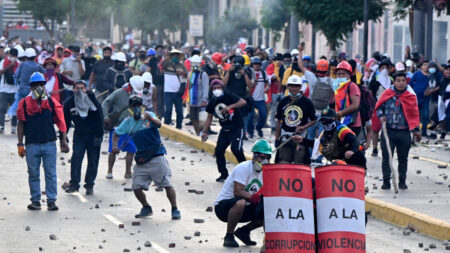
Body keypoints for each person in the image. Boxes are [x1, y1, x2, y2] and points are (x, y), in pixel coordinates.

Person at [112, 95, 181, 219]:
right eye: (134, 106)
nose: (137, 108)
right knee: (136, 186)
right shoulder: (128, 121)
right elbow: (116, 134)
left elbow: (159, 124)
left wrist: (151, 119)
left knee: (166, 183)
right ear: (130, 109)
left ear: (142, 106)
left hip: (156, 155)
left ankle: (175, 209)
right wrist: (115, 146)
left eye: (139, 105)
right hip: (142, 158)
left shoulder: (149, 116)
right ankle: (146, 207)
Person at [17, 72, 70, 211]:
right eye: (35, 85)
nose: (38, 87)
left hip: (49, 144)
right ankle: (35, 201)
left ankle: (51, 201)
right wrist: (20, 144)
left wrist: (63, 140)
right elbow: (21, 124)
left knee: (51, 174)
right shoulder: (24, 103)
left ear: (44, 85)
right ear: (31, 87)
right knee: (33, 174)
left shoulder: (52, 102)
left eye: (41, 84)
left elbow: (61, 122)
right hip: (31, 144)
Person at [214, 139, 271, 248]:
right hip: (224, 208)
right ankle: (229, 236)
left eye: (268, 158)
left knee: (268, 209)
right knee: (241, 202)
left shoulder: (265, 173)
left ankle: (245, 232)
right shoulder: (244, 168)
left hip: (246, 207)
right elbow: (238, 191)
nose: (265, 161)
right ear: (254, 156)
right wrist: (253, 198)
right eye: (262, 157)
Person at [375, 73, 421, 190]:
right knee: (387, 157)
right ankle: (386, 182)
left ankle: (402, 181)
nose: (401, 83)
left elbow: (414, 114)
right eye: (398, 81)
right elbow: (379, 107)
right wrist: (381, 116)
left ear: (406, 82)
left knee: (403, 158)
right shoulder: (387, 94)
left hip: (404, 132)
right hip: (388, 131)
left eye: (403, 81)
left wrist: (416, 130)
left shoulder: (410, 96)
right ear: (394, 82)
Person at [201, 79, 247, 182]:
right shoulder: (212, 101)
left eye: (218, 88)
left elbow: (243, 102)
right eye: (214, 88)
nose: (217, 90)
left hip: (236, 126)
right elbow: (209, 118)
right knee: (219, 151)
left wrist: (231, 106)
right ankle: (223, 173)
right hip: (225, 128)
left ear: (222, 88)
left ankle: (246, 172)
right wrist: (204, 131)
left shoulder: (228, 96)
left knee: (236, 149)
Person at [63, 80, 104, 195]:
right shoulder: (69, 103)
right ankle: (74, 184)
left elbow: (100, 118)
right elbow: (65, 122)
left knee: (93, 160)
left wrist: (99, 136)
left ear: (86, 89)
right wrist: (64, 137)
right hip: (79, 135)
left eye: (82, 88)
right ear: (73, 90)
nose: (80, 90)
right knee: (76, 158)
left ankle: (89, 185)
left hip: (94, 135)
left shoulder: (92, 101)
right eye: (77, 88)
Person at [102, 75, 144, 179]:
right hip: (118, 126)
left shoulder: (138, 95)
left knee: (131, 149)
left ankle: (128, 171)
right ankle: (109, 171)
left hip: (132, 126)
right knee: (113, 149)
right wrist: (105, 116)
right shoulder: (119, 93)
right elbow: (106, 103)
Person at [300, 108, 367, 168]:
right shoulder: (324, 134)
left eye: (327, 120)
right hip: (341, 163)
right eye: (323, 121)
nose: (325, 123)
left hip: (356, 162)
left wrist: (352, 151)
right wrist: (302, 140)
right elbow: (318, 145)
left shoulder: (342, 130)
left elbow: (355, 142)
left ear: (334, 119)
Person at [274, 75, 316, 164]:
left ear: (300, 87)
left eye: (296, 86)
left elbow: (314, 120)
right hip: (285, 138)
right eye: (291, 85)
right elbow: (278, 121)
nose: (294, 88)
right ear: (287, 86)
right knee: (283, 163)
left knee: (299, 164)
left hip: (300, 139)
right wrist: (276, 138)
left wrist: (304, 127)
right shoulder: (283, 101)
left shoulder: (307, 102)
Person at [333, 61, 362, 135]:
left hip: (352, 124)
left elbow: (355, 105)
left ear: (349, 75)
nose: (340, 76)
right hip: (341, 123)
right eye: (339, 74)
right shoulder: (337, 87)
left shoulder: (352, 86)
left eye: (343, 74)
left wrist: (340, 114)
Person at [161, 49, 188, 129]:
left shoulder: (181, 65)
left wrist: (182, 73)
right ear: (171, 56)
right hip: (168, 91)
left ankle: (179, 126)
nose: (175, 57)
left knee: (179, 111)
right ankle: (166, 126)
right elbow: (161, 65)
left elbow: (187, 74)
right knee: (168, 110)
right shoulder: (167, 64)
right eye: (173, 55)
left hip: (178, 92)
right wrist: (167, 57)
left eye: (177, 55)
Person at [182, 55, 209, 135]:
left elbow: (205, 88)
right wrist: (185, 99)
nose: (195, 65)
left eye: (197, 64)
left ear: (200, 64)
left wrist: (204, 100)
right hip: (192, 101)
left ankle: (201, 132)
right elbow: (187, 87)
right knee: (193, 118)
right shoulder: (189, 74)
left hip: (200, 101)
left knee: (201, 119)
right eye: (193, 63)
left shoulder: (203, 75)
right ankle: (197, 132)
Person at [246, 57, 269, 138]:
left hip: (260, 99)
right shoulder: (248, 73)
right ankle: (250, 131)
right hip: (251, 99)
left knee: (263, 114)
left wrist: (267, 87)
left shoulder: (263, 72)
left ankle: (259, 128)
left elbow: (267, 82)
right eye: (255, 64)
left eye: (258, 64)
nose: (256, 66)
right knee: (250, 116)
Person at [0, 48, 19, 134]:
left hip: (14, 90)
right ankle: (1, 126)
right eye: (12, 55)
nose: (13, 58)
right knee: (2, 109)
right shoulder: (3, 62)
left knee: (14, 110)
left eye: (15, 56)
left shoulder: (18, 64)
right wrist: (9, 66)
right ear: (9, 55)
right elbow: (0, 72)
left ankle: (14, 127)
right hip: (4, 89)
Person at [410, 60, 431, 137]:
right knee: (415, 115)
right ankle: (415, 130)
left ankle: (424, 131)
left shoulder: (431, 75)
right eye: (425, 65)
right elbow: (410, 84)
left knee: (425, 115)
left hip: (426, 98)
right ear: (421, 66)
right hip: (416, 98)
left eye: (428, 65)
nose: (426, 66)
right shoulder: (417, 74)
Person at [147, 48, 165, 118]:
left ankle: (158, 115)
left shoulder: (151, 60)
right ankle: (161, 114)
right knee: (161, 99)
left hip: (155, 82)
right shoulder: (159, 60)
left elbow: (148, 70)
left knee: (156, 99)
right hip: (162, 82)